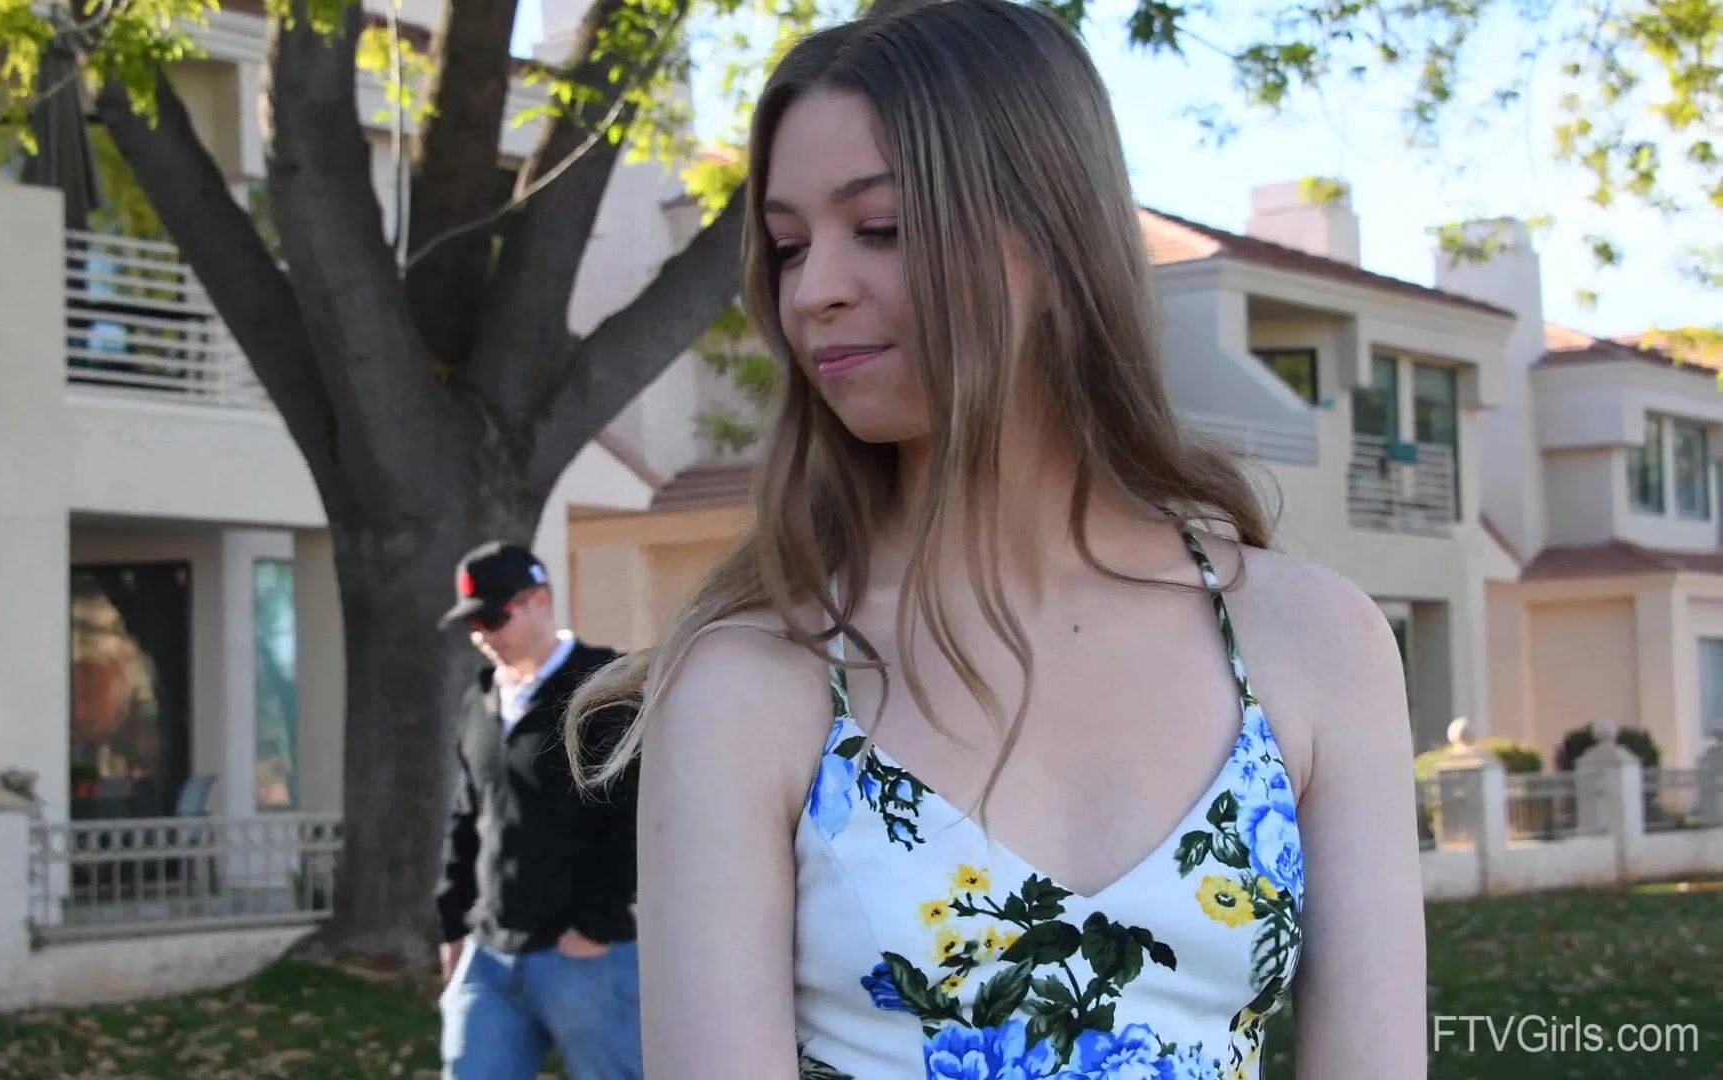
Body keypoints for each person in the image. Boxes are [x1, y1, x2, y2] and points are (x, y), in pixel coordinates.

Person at [565, 1, 1426, 1077]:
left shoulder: (1312, 641)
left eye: (880, 229)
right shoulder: (753, 680)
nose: (814, 290)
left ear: (1054, 243)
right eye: (789, 247)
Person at [435, 541, 641, 1080]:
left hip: (587, 956)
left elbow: (633, 817)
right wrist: (453, 925)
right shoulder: (479, 700)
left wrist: (595, 928)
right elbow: (467, 819)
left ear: (540, 600)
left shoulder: (604, 687)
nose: (482, 635)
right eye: (472, 623)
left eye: (492, 618)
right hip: (489, 953)